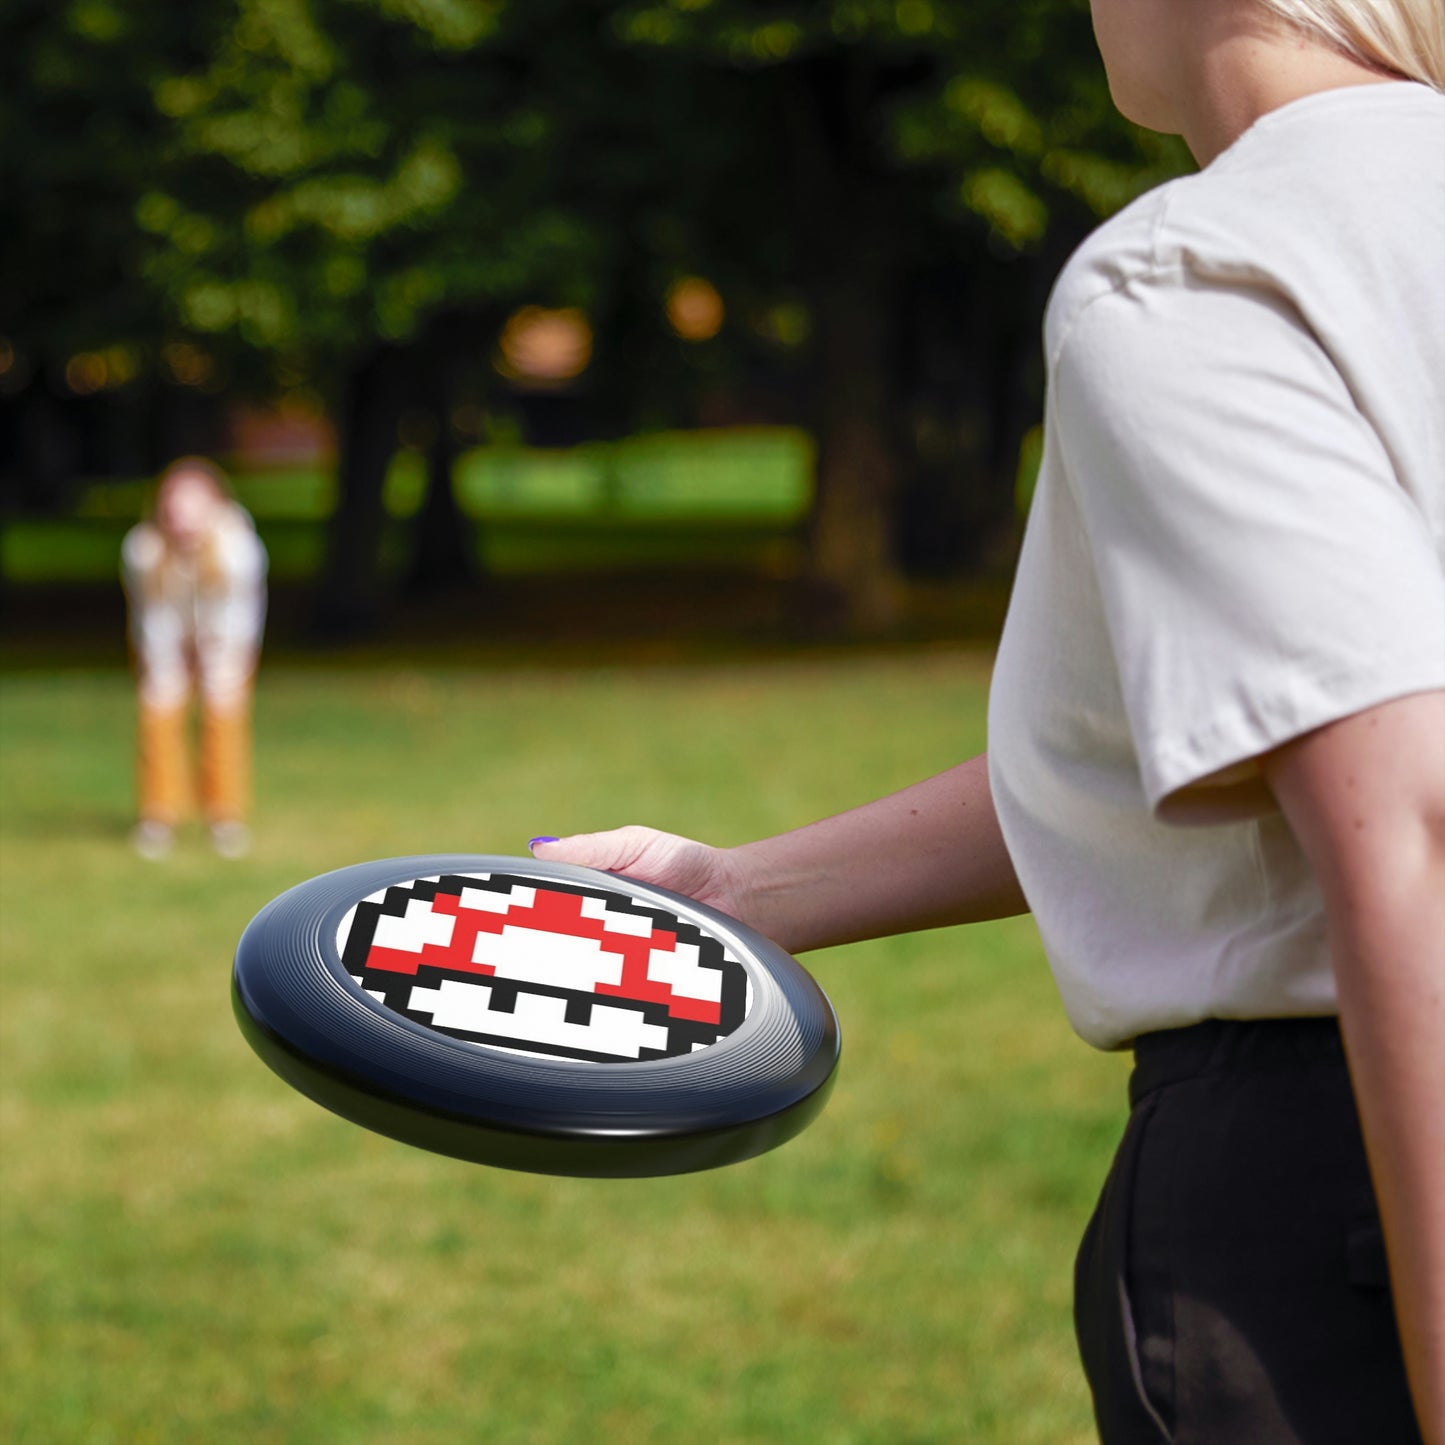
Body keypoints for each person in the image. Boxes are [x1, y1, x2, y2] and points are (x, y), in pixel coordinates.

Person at [527, 1, 1445, 1440]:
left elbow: (1409, 822)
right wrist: (737, 891)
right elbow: (1221, 738)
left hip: (1341, 1194)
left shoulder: (1203, 270)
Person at [121, 457, 267, 859]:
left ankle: (225, 817)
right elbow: (152, 615)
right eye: (174, 505)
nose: (182, 517)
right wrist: (169, 661)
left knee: (224, 716)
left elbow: (239, 614)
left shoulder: (238, 548)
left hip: (225, 641)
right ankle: (158, 815)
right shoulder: (143, 549)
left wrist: (215, 656)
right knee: (159, 711)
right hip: (165, 640)